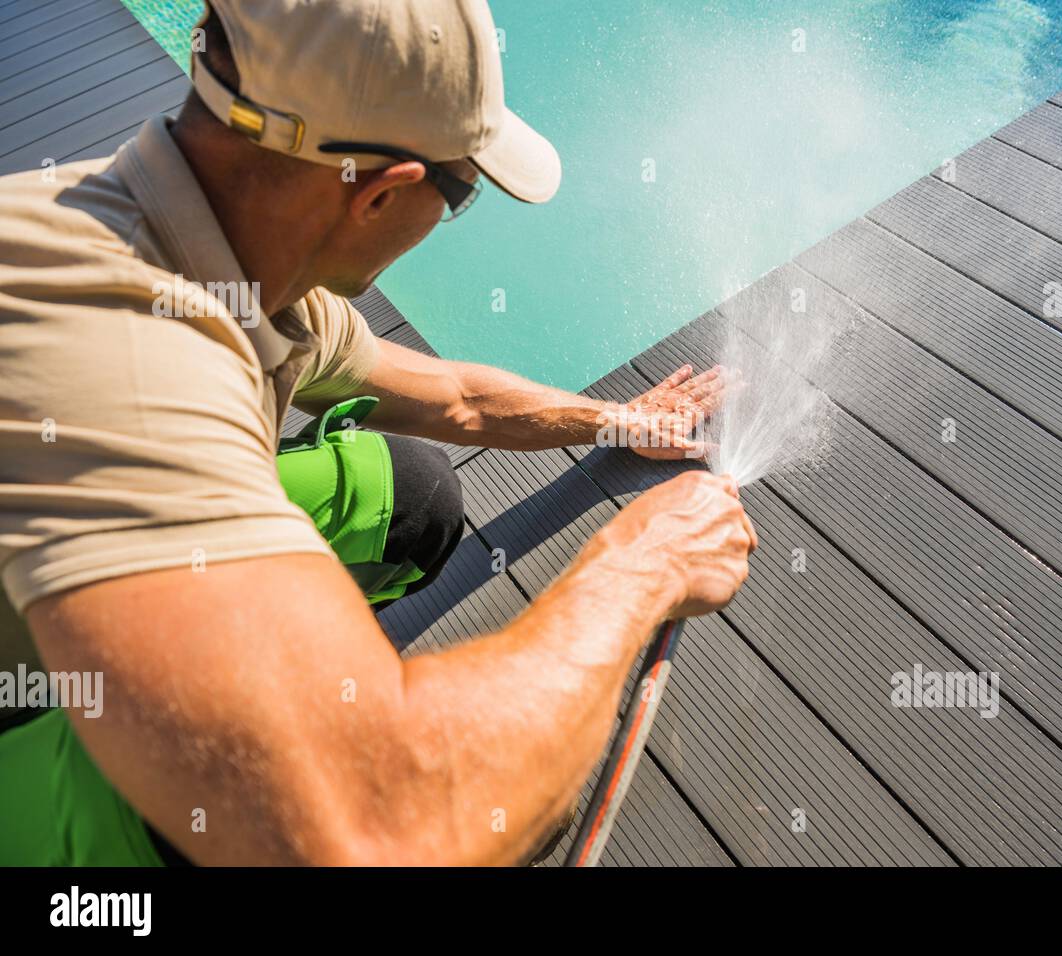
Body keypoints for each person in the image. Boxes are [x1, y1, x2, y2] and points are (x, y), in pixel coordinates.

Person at [0, 0, 755, 866]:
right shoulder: (120, 354)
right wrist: (644, 565)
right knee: (282, 811)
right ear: (388, 190)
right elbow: (383, 828)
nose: (449, 211)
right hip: (21, 716)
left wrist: (617, 419)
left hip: (48, 572)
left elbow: (457, 400)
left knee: (414, 498)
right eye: (459, 190)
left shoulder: (204, 248)